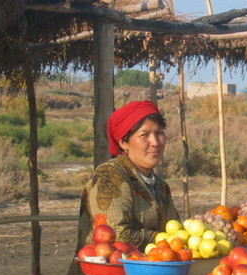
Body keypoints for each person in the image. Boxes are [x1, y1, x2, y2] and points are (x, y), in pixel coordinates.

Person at [76, 100, 180, 251]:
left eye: (159, 133)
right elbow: (117, 236)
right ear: (124, 143)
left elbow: (175, 230)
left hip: (152, 271)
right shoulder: (110, 176)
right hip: (108, 272)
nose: (155, 142)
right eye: (144, 135)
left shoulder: (161, 186)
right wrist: (164, 239)